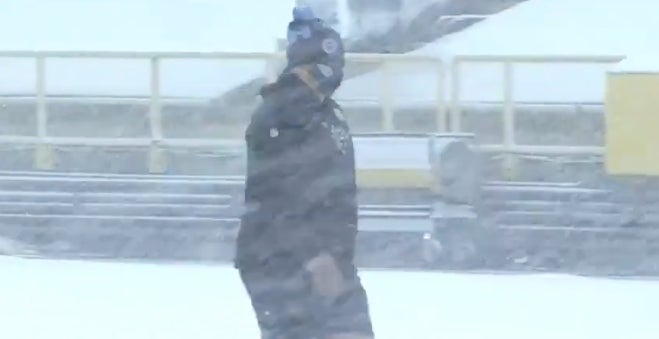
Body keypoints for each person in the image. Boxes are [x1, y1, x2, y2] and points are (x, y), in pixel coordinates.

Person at [234, 3, 375, 339]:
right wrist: (315, 256)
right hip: (291, 263)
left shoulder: (324, 111)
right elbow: (276, 197)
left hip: (326, 261)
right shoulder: (284, 111)